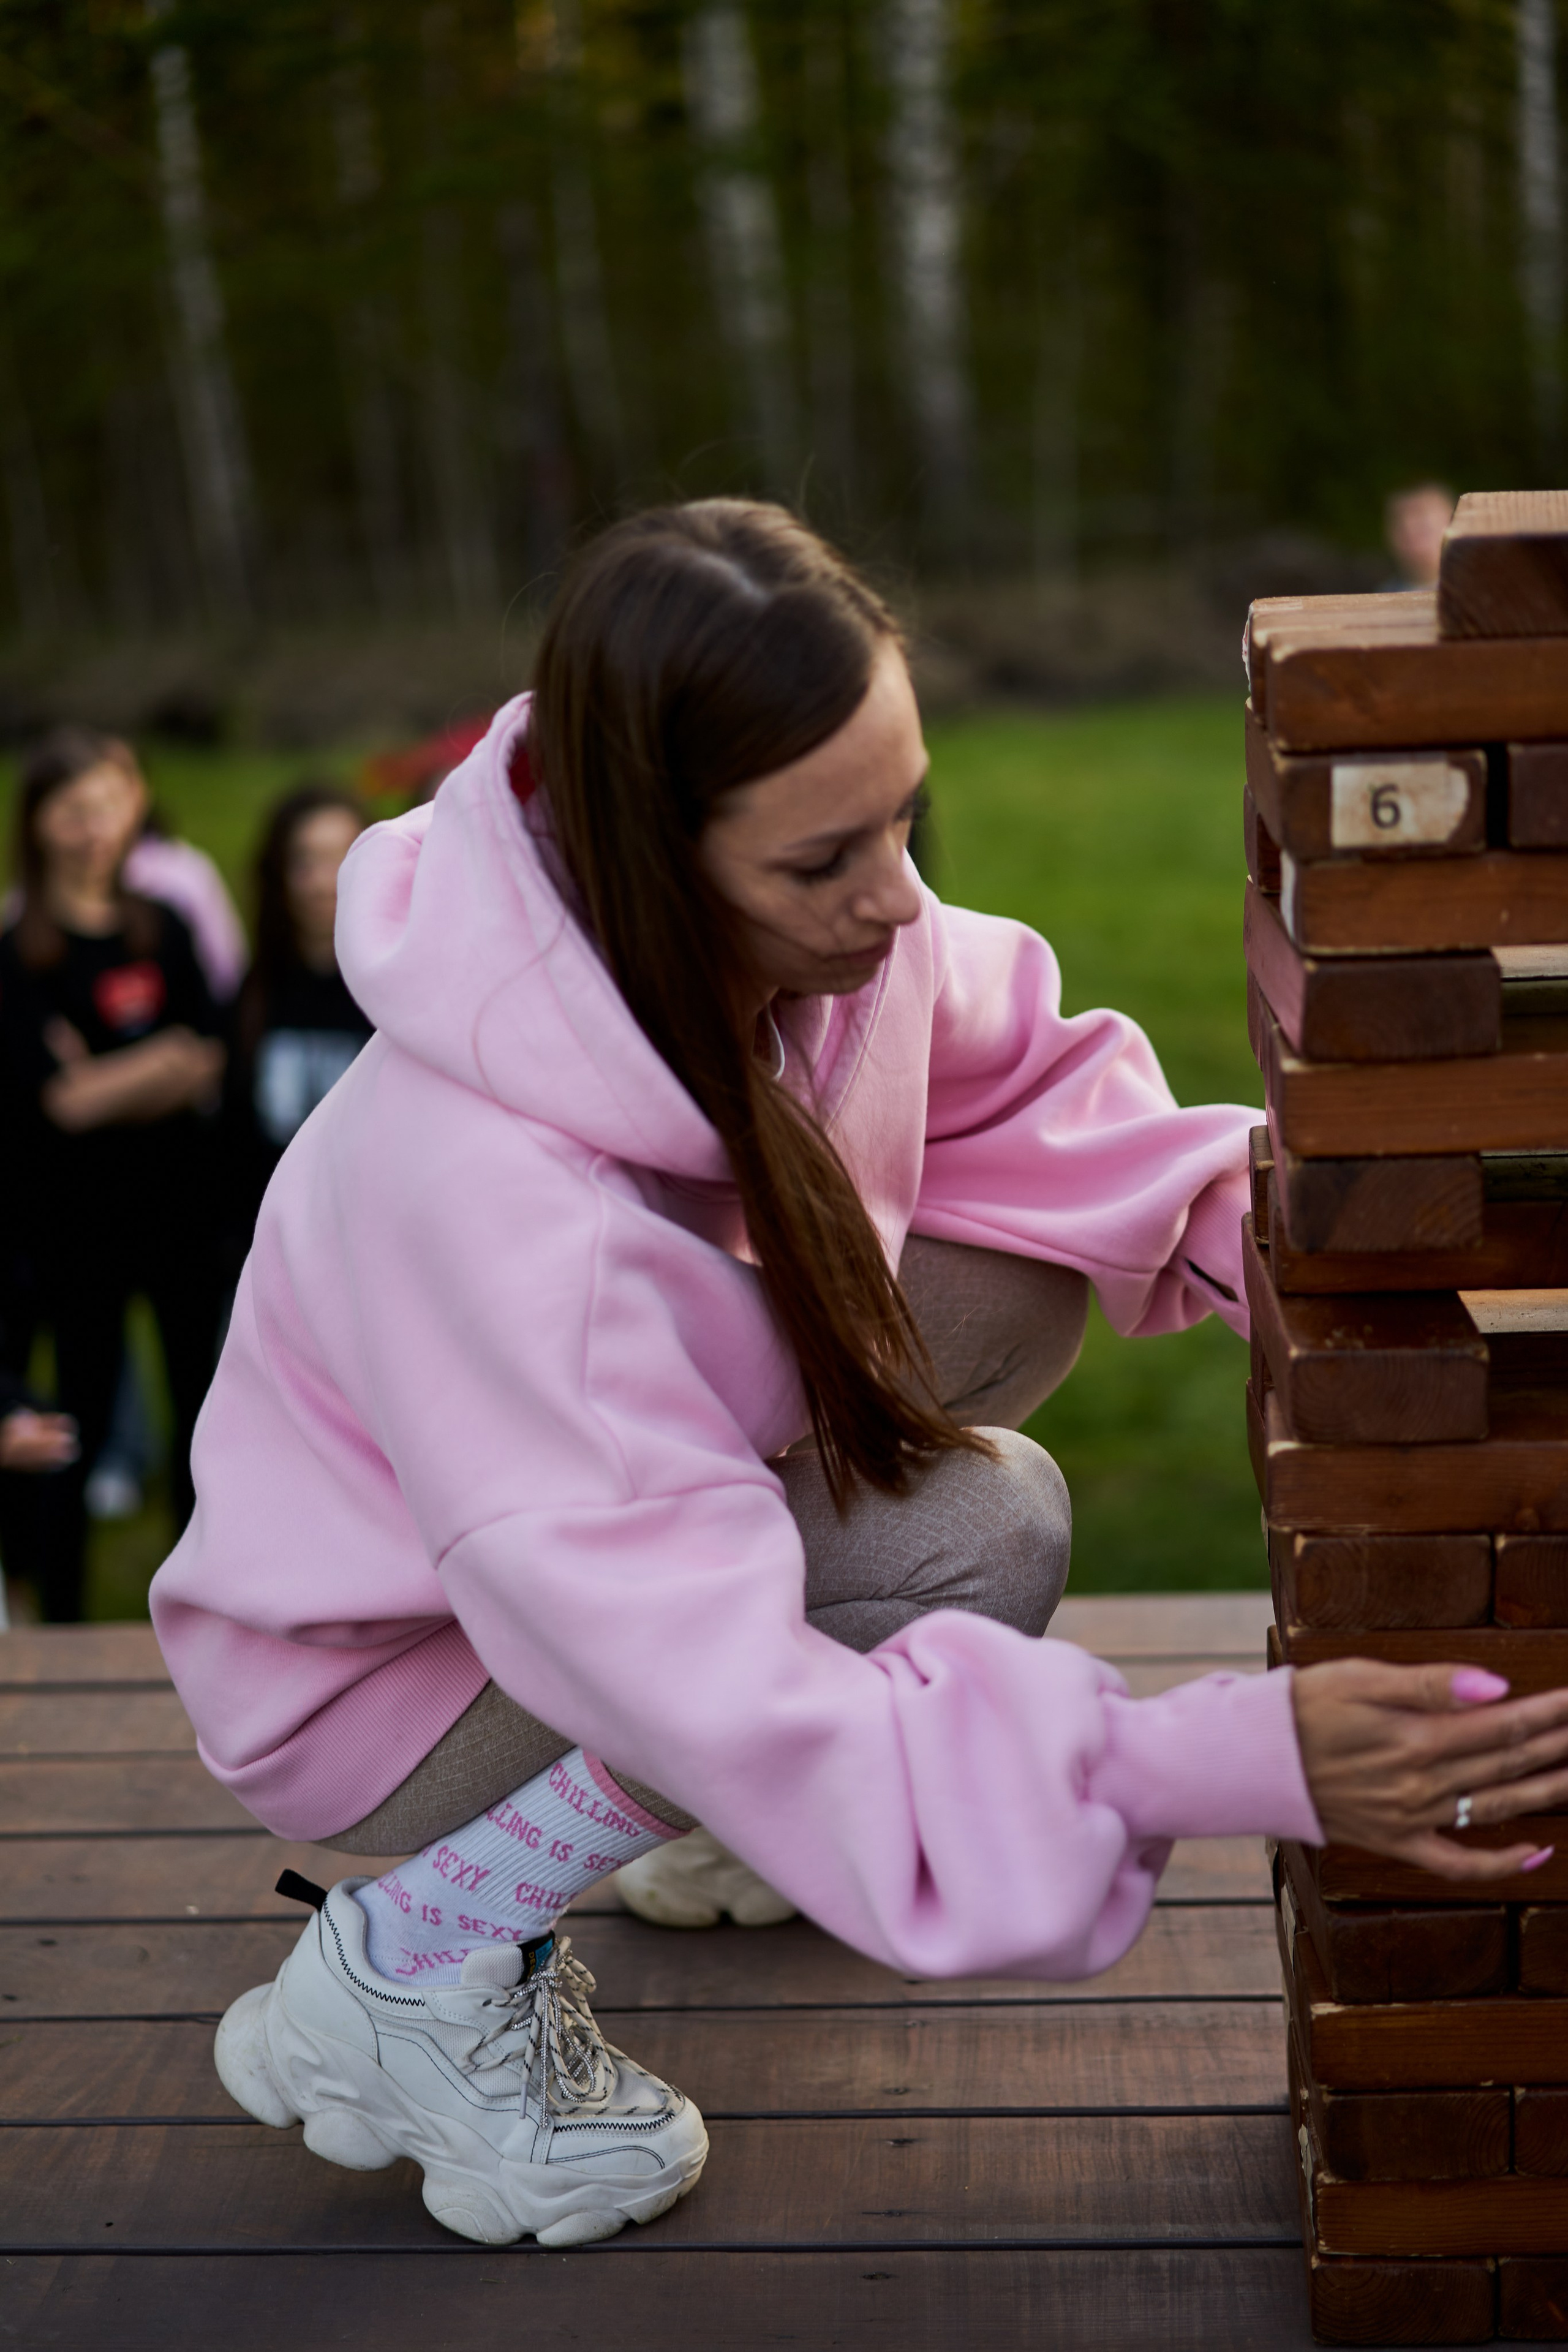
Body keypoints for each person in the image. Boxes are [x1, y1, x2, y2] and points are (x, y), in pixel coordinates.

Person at [151, 502, 1568, 2254]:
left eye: (901, 816)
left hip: (601, 1512)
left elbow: (1028, 1089)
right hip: (383, 1665)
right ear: (646, 861)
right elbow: (711, 1679)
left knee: (1015, 1296)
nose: (894, 897)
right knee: (976, 1533)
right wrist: (1223, 1756)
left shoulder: (820, 943)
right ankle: (409, 1965)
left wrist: (1295, 1252)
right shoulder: (500, 1208)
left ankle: (694, 1833)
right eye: (823, 860)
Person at [0, 726, 226, 1621]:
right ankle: (60, 1622)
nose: (92, 829)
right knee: (80, 1421)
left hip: (182, 1216)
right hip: (75, 1230)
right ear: (37, 822)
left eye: (105, 806)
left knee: (203, 1422)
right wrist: (158, 1061)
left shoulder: (164, 925)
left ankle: (211, 1606)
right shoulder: (19, 950)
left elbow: (207, 1057)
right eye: (71, 811)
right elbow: (60, 1104)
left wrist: (108, 1076)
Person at [224, 784, 372, 1255]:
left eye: (341, 859)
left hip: (367, 1247)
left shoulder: (394, 999)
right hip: (270, 1248)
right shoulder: (255, 995)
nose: (324, 882)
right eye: (306, 862)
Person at [1384, 481, 1453, 589]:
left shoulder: (1479, 586)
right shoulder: (1380, 594)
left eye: (1420, 514)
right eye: (1397, 520)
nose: (1409, 526)